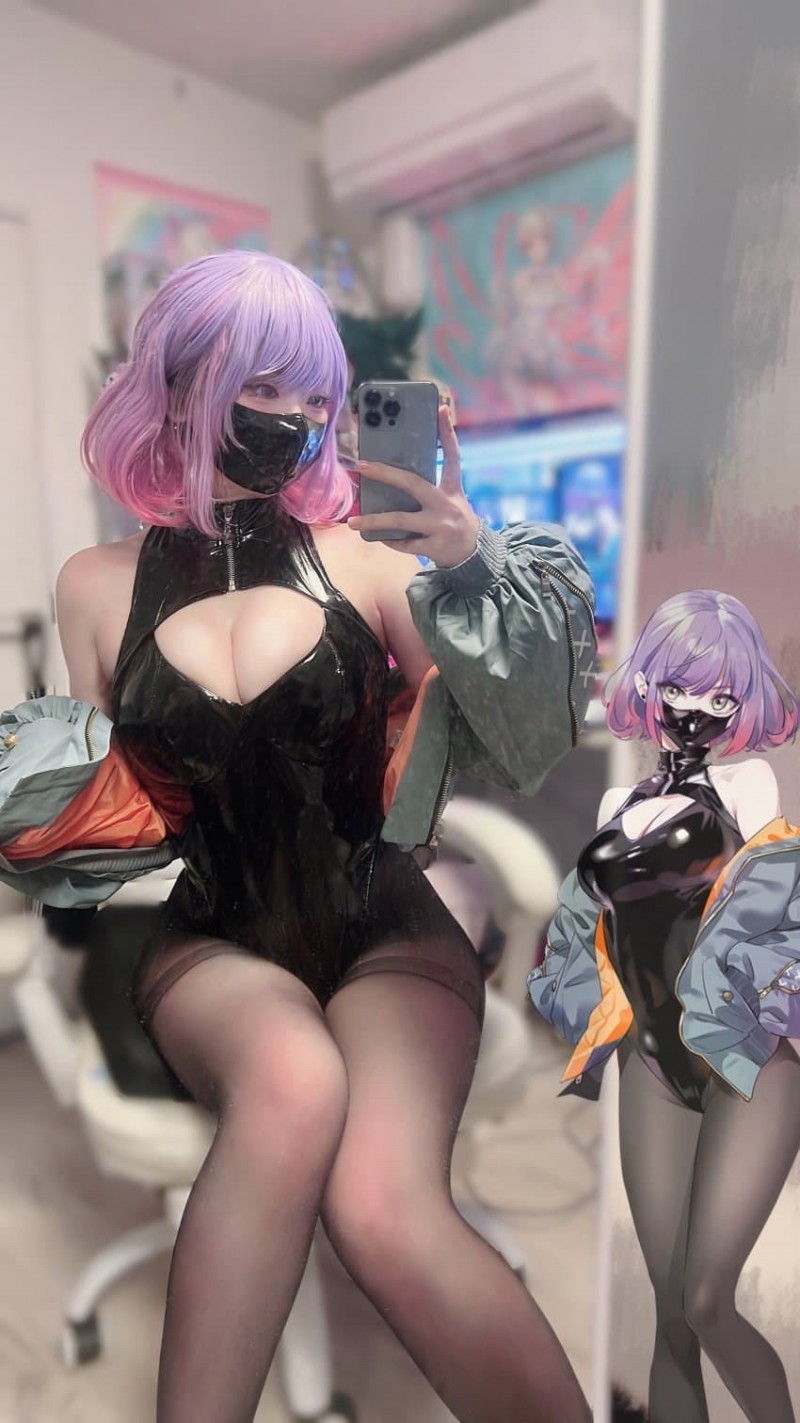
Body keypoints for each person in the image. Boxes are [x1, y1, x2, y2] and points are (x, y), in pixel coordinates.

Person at [55, 250, 596, 1423]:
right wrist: (47, 807)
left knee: (381, 1206)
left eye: (315, 395)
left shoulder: (367, 555)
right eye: (266, 388)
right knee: (292, 1084)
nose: (295, 420)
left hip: (381, 925)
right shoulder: (93, 584)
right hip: (213, 936)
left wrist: (466, 563)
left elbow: (519, 738)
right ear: (179, 384)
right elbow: (101, 819)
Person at [529, 590, 800, 1423]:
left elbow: (771, 908)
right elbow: (588, 936)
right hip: (651, 1063)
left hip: (744, 1062)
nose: (695, 710)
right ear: (649, 684)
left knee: (707, 1299)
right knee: (672, 1314)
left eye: (720, 695)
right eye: (680, 687)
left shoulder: (748, 783)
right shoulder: (616, 806)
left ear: (744, 701)